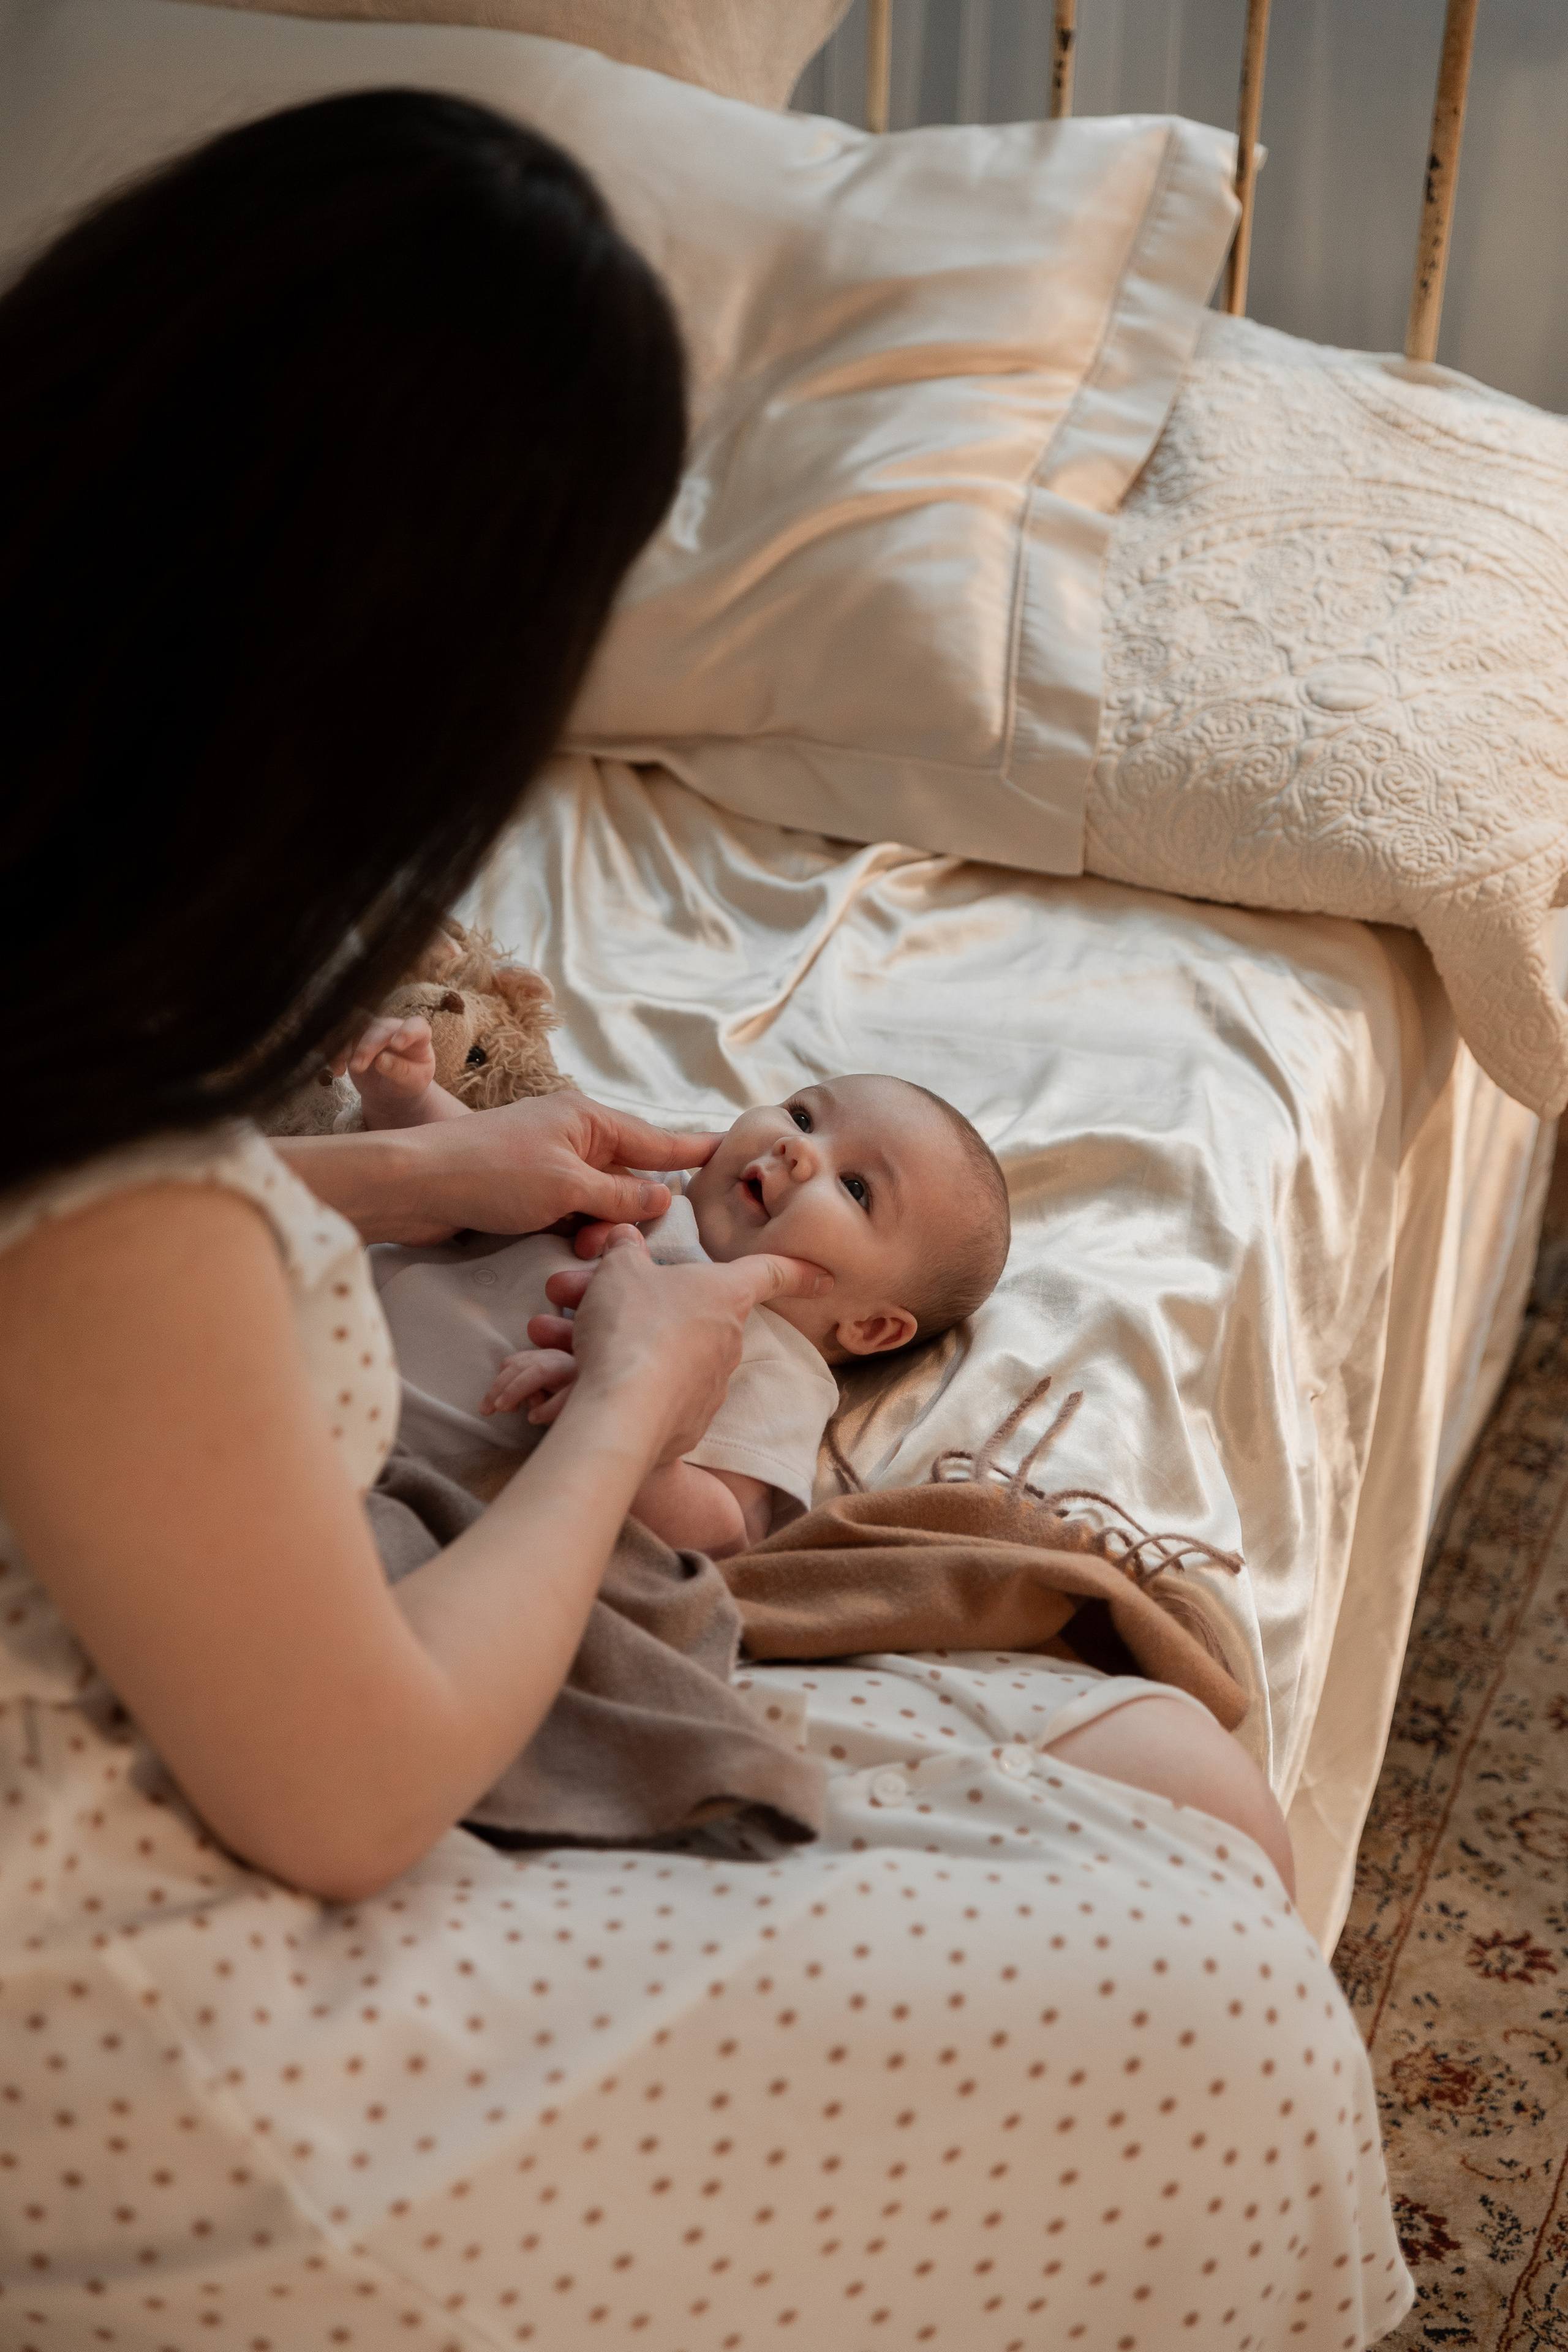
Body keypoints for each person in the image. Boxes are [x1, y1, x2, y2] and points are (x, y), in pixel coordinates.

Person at [0, 86, 1410, 2348]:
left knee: (1173, 1782)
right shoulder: (137, 1186)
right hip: (144, 2042)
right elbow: (352, 1787)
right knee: (1216, 2006)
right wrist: (619, 1400)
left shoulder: (76, 984)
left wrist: (421, 1170)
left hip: (266, 1651)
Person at [369, 1072, 1011, 1555]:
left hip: (384, 1469)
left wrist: (624, 1417)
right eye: (803, 1115)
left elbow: (726, 1531)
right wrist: (408, 1102)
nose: (797, 1149)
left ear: (869, 1326)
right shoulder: (644, 1193)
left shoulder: (775, 1363)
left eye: (856, 1188)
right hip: (311, 1312)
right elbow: (480, 1174)